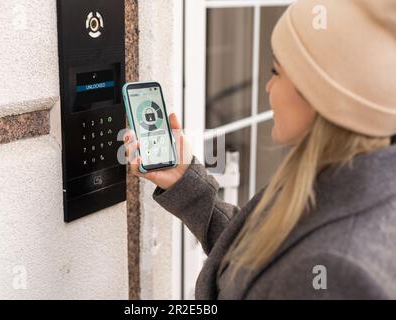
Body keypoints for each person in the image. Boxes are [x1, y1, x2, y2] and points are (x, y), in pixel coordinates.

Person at [124, 0, 396, 299]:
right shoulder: (341, 179)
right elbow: (255, 261)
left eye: (275, 71)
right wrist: (185, 181)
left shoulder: (340, 271)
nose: (267, 86)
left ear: (317, 95)